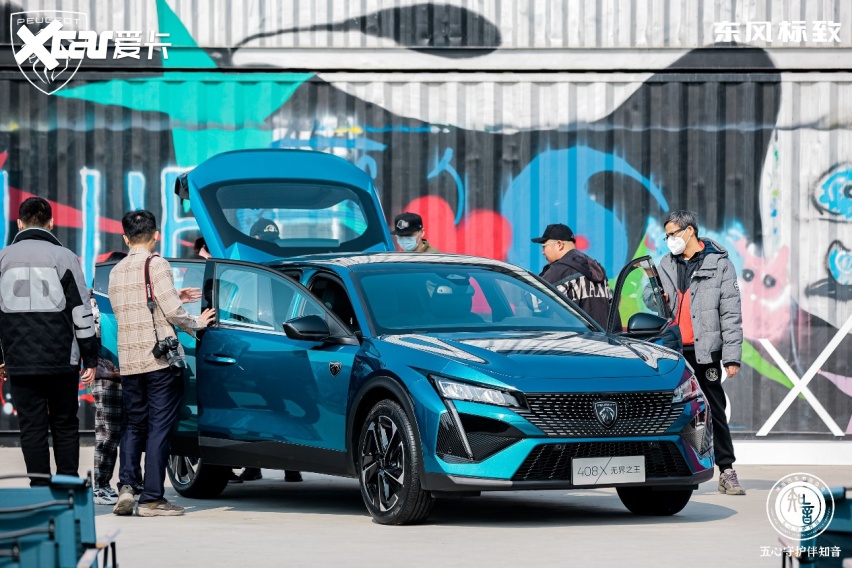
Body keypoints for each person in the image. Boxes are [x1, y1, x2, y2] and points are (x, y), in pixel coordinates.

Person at [109, 210, 215, 517]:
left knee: (133, 425)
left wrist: (172, 295)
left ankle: (127, 486)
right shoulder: (157, 263)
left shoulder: (116, 271)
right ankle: (152, 498)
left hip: (130, 362)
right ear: (155, 235)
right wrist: (198, 322)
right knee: (159, 428)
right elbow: (172, 313)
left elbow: (129, 308)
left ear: (125, 238)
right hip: (158, 361)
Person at [0, 197, 98, 486]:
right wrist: (90, 357)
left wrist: (1, 358)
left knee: (31, 426)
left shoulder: (3, 258)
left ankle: (39, 489)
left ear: (19, 223)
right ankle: (68, 488)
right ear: (51, 223)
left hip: (19, 359)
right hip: (61, 360)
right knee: (65, 424)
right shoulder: (65, 257)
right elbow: (81, 311)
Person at [655, 210, 745, 496]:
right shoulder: (666, 263)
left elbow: (731, 313)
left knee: (713, 410)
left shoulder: (720, 265)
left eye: (672, 234)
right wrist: (656, 297)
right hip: (672, 351)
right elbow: (650, 298)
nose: (669, 240)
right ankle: (673, 469)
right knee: (671, 410)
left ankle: (726, 471)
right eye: (667, 235)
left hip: (705, 351)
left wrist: (731, 356)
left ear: (689, 231)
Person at [91, 250, 143, 505]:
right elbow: (89, 334)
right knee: (109, 433)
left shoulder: (136, 297)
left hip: (135, 372)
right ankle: (100, 486)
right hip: (108, 376)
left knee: (134, 431)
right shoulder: (95, 303)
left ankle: (132, 482)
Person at [532, 223, 612, 327]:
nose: (543, 252)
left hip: (579, 335)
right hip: (605, 335)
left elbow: (535, 302)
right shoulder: (595, 267)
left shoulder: (560, 269)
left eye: (544, 246)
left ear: (559, 244)